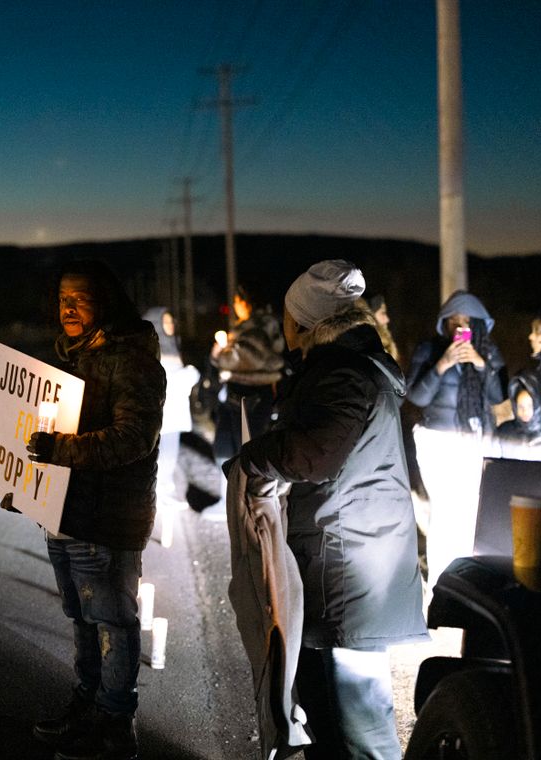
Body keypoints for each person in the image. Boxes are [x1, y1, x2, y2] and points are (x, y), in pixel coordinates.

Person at [226, 260, 428, 760]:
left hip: (351, 561)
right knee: (330, 712)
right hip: (354, 549)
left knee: (362, 723)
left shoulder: (341, 374)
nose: (284, 326)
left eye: (289, 317)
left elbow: (312, 456)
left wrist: (254, 457)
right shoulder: (353, 368)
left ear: (308, 323)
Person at [21, 260, 166, 760]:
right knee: (82, 619)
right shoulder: (68, 361)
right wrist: (22, 485)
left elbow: (133, 439)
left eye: (80, 298)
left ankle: (114, 726)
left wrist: (59, 450)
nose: (68, 308)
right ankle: (87, 707)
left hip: (107, 520)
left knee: (112, 622)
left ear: (106, 301)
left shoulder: (133, 362)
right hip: (65, 514)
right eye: (63, 298)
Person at [405, 290, 507, 586]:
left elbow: (498, 396)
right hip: (438, 441)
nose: (460, 327)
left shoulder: (488, 352)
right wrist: (442, 364)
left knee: (471, 512)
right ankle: (442, 582)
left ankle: (469, 581)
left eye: (466, 321)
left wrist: (479, 363)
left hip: (475, 440)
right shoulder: (429, 349)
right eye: (453, 321)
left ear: (477, 324)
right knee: (446, 513)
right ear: (444, 324)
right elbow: (417, 397)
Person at [208, 283, 286, 460]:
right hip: (253, 393)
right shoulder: (265, 324)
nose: (235, 306)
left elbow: (240, 359)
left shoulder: (254, 327)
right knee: (241, 449)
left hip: (247, 395)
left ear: (247, 302)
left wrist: (220, 352)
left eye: (237, 301)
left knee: (244, 452)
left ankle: (242, 486)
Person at [143, 306, 200, 505]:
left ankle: (165, 489)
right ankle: (161, 492)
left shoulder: (172, 344)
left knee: (171, 451)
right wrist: (189, 375)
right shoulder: (153, 350)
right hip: (163, 410)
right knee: (163, 452)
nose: (170, 325)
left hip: (176, 409)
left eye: (171, 321)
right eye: (165, 322)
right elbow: (162, 380)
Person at [493, 371, 541, 462]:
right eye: (520, 406)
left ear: (539, 404)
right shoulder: (504, 432)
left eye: (530, 405)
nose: (525, 411)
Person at [362, 293, 400, 362]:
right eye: (383, 313)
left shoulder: (382, 347)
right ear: (369, 316)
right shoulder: (366, 349)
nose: (387, 319)